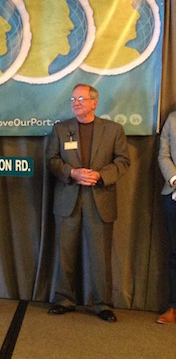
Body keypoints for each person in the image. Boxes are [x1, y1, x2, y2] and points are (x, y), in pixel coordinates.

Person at [46, 83, 130, 322]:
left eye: (81, 99)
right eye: (73, 100)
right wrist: (72, 173)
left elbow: (123, 161)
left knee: (100, 255)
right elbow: (51, 160)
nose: (76, 103)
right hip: (68, 198)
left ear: (95, 102)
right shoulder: (61, 129)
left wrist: (100, 175)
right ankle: (63, 300)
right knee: (65, 252)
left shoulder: (113, 130)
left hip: (99, 198)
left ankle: (103, 304)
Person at [157, 111, 176, 324]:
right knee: (174, 254)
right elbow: (164, 154)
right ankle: (173, 307)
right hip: (173, 195)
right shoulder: (172, 119)